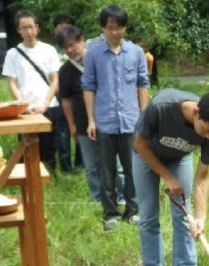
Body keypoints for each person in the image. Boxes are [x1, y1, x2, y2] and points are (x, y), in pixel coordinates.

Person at [132, 88, 209, 266]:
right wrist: (167, 177)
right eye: (205, 130)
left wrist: (201, 217)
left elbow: (202, 177)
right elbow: (139, 145)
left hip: (179, 158)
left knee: (183, 217)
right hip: (146, 155)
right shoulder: (161, 108)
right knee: (149, 214)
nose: (207, 137)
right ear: (196, 112)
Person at [82, 5, 149, 231]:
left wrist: (144, 116)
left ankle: (133, 210)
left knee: (133, 169)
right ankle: (110, 213)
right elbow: (89, 87)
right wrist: (91, 120)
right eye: (110, 28)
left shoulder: (136, 52)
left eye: (119, 27)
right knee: (107, 170)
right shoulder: (92, 54)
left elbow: (143, 84)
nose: (114, 32)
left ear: (125, 28)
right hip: (105, 121)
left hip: (131, 120)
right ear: (103, 28)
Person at [2, 10, 61, 172]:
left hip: (48, 106)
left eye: (31, 27)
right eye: (24, 28)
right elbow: (12, 83)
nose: (28, 31)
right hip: (24, 108)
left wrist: (45, 104)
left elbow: (54, 79)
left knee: (49, 145)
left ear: (37, 28)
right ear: (18, 30)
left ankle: (49, 176)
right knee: (26, 144)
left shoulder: (49, 50)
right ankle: (27, 176)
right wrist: (23, 104)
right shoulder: (12, 54)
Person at [56, 25, 100, 200]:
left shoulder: (99, 60)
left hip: (107, 120)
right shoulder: (65, 71)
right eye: (66, 47)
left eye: (73, 44)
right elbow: (66, 100)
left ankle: (119, 197)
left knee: (114, 164)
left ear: (82, 40)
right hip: (82, 123)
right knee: (91, 166)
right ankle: (97, 197)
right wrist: (71, 125)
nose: (70, 50)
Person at [51, 13, 80, 171]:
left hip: (79, 96)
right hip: (59, 96)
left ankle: (81, 164)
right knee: (63, 132)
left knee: (81, 129)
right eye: (60, 25)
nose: (64, 28)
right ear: (55, 29)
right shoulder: (51, 50)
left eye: (67, 25)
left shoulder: (78, 46)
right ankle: (66, 166)